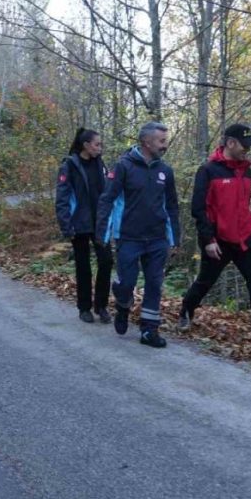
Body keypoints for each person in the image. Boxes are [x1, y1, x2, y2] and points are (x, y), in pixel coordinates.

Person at [178, 124, 251, 343]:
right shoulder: (208, 170)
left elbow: (243, 203)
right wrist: (208, 240)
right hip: (218, 240)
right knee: (205, 281)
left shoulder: (246, 170)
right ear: (230, 143)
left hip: (245, 238)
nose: (246, 150)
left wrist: (248, 225)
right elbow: (198, 209)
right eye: (244, 145)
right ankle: (186, 310)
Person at [96, 122, 181, 348]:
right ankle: (123, 305)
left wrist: (175, 239)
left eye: (165, 140)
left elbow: (172, 206)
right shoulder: (123, 167)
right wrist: (102, 234)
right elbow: (107, 200)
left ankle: (148, 330)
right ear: (146, 142)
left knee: (154, 282)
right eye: (161, 141)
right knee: (127, 283)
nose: (165, 145)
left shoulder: (166, 171)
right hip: (128, 238)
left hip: (157, 239)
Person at [55, 128, 114, 324]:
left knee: (106, 261)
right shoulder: (70, 165)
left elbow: (107, 193)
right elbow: (62, 198)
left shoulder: (100, 164)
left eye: (100, 144)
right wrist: (66, 226)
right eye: (97, 144)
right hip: (78, 224)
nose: (100, 148)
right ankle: (84, 307)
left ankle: (101, 306)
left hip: (100, 223)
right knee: (83, 266)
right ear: (86, 145)